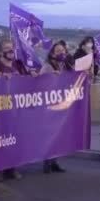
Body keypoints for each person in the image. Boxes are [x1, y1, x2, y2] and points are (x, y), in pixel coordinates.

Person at [0, 39, 29, 182]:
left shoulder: (18, 65)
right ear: (0, 51)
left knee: (14, 138)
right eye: (7, 48)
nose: (10, 51)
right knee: (0, 140)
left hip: (16, 108)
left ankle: (11, 167)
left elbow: (27, 81)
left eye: (12, 48)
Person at [39, 41, 70, 174]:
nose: (61, 53)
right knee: (49, 134)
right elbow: (41, 83)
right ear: (52, 53)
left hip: (62, 104)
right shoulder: (47, 66)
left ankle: (54, 161)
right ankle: (47, 162)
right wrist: (52, 78)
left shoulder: (66, 66)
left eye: (62, 50)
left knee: (58, 134)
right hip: (50, 105)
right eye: (58, 51)